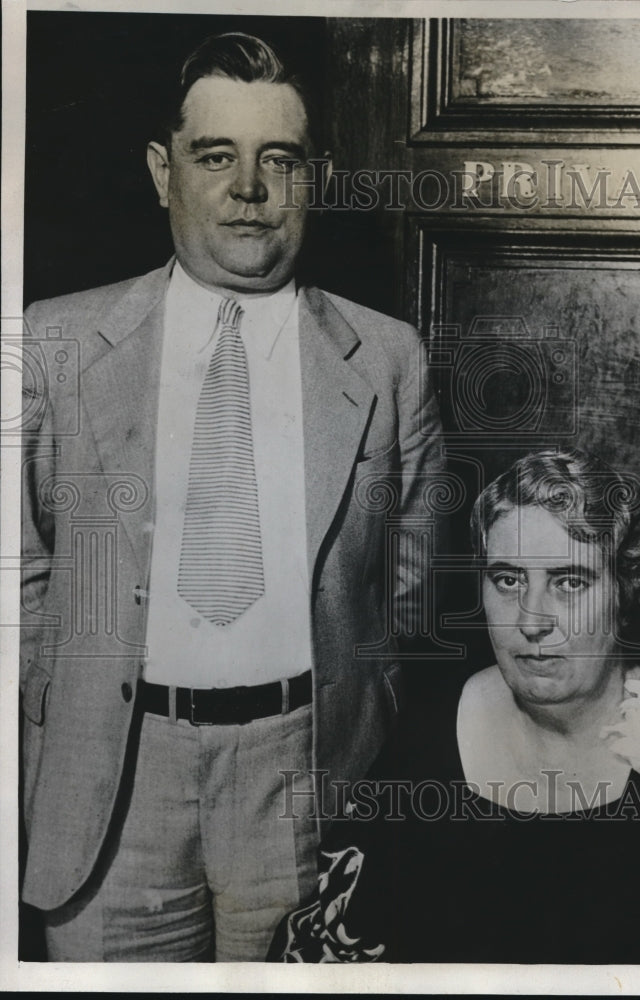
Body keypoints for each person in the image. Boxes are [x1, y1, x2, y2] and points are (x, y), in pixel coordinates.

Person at [20, 32, 446, 961]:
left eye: (277, 159)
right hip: (109, 785)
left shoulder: (387, 359)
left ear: (314, 178)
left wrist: (349, 725)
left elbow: (408, 591)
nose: (247, 188)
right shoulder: (51, 344)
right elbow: (18, 576)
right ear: (162, 171)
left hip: (302, 779)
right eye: (215, 156)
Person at [270, 449, 640, 964]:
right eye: (508, 580)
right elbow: (320, 950)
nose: (531, 619)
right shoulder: (430, 735)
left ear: (627, 591)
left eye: (569, 582)